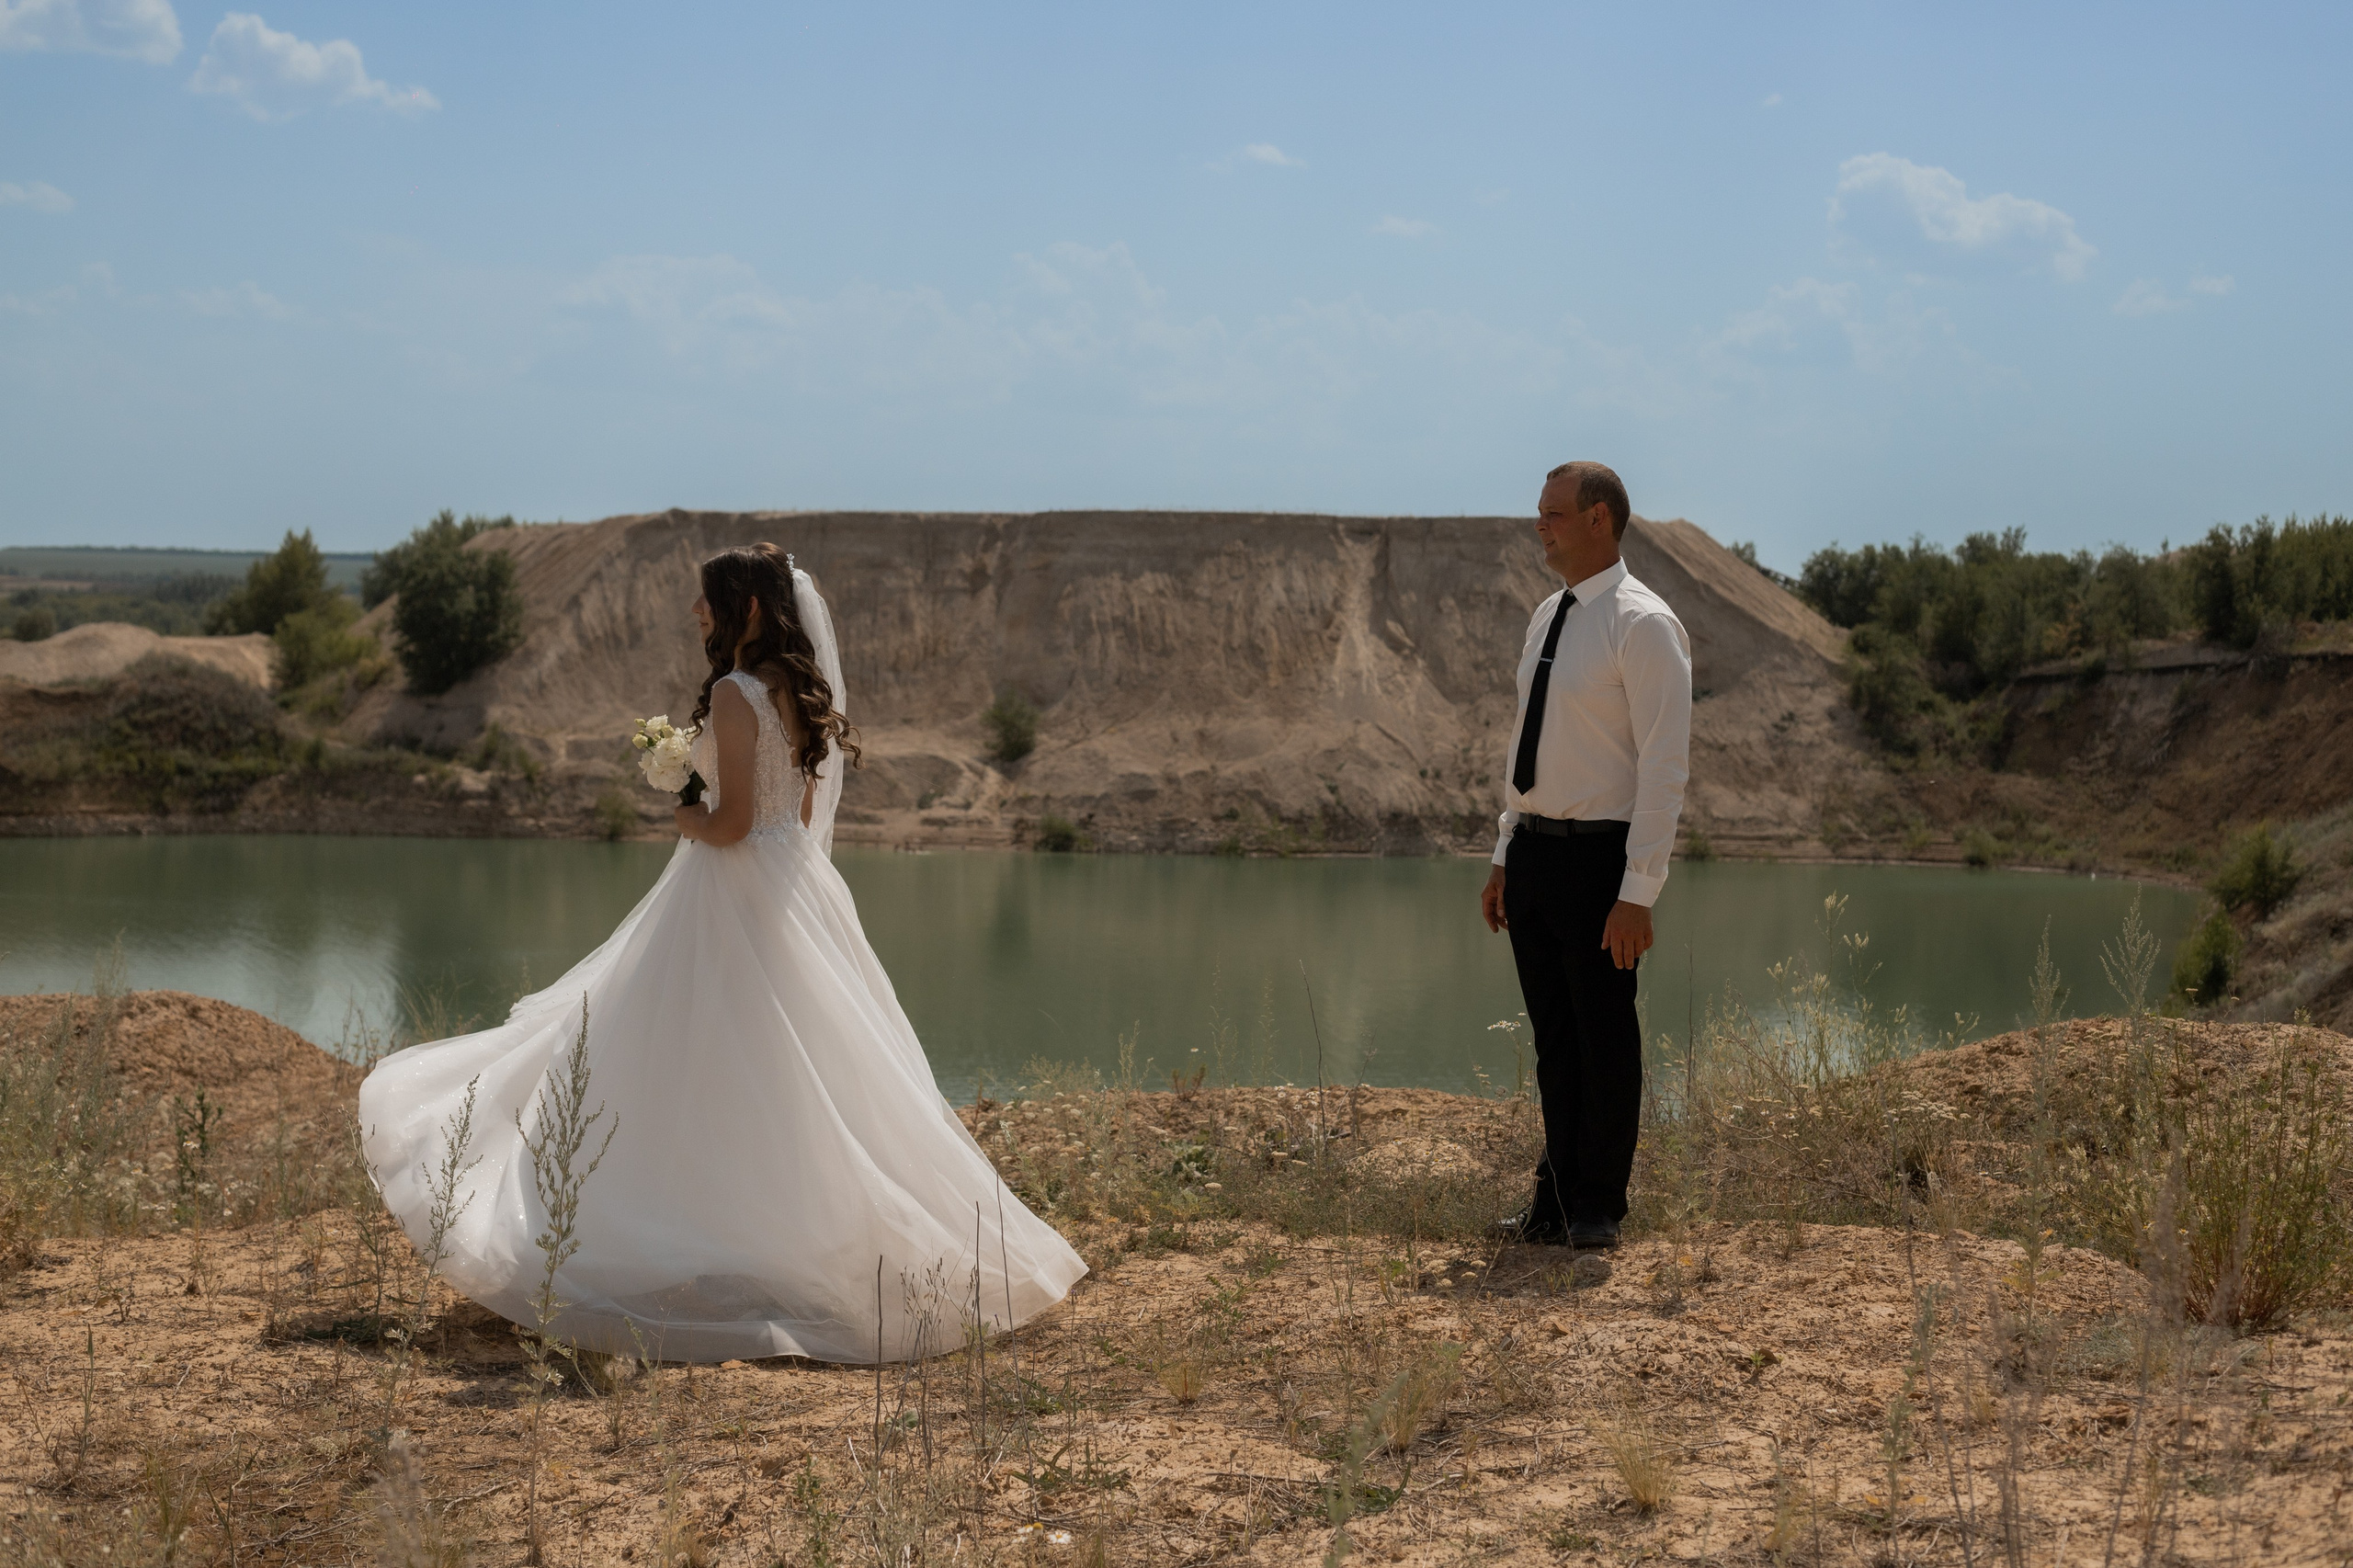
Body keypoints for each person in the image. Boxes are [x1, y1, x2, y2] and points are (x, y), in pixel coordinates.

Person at [358, 542, 1086, 1362]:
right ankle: (780, 1240)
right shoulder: (793, 691)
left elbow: (734, 824)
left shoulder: (739, 692)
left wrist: (687, 818)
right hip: (793, 887)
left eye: (708, 598)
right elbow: (795, 813)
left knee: (691, 1057)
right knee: (792, 1067)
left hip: (732, 888)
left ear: (748, 606)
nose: (696, 611)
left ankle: (683, 1234)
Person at [1479, 462, 1692, 1251]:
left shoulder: (1644, 624)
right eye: (1540, 513)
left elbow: (1664, 767)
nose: (1540, 526)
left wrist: (1638, 892)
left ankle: (1598, 1204)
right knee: (1555, 1041)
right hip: (1535, 855)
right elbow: (1528, 743)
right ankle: (1553, 1205)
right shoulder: (1548, 615)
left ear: (1599, 518)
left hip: (1602, 863)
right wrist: (1505, 850)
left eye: (1554, 514)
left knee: (1604, 1038)